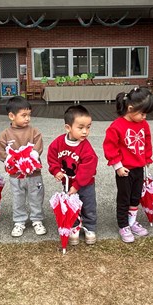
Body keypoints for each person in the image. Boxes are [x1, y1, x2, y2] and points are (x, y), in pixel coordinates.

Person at [103, 86, 153, 243]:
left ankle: (132, 222)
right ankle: (123, 225)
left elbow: (146, 141)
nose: (144, 117)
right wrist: (117, 166)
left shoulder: (144, 125)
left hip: (139, 168)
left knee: (135, 197)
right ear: (130, 108)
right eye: (142, 113)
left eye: (147, 114)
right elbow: (110, 147)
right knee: (124, 198)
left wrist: (147, 158)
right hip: (124, 170)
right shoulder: (116, 126)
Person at [47, 105, 99, 246]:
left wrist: (77, 185)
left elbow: (88, 168)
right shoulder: (58, 143)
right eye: (81, 127)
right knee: (71, 206)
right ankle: (74, 226)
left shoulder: (85, 147)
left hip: (85, 184)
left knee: (88, 205)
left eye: (88, 127)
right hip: (68, 183)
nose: (85, 131)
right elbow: (52, 157)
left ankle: (89, 227)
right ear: (68, 128)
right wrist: (56, 170)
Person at [0, 96, 46, 238]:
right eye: (23, 115)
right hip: (15, 175)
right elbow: (1, 152)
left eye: (29, 115)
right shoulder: (5, 134)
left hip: (34, 174)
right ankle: (19, 221)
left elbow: (38, 148)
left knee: (36, 197)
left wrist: (32, 158)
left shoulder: (34, 132)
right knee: (18, 198)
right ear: (12, 116)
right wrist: (10, 160)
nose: (27, 118)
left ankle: (37, 220)